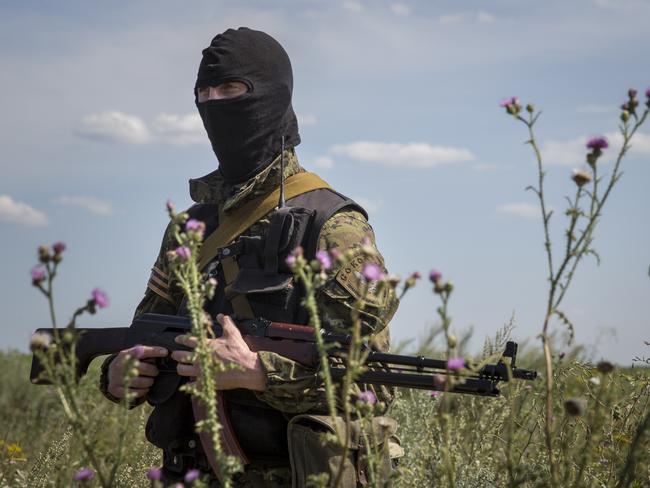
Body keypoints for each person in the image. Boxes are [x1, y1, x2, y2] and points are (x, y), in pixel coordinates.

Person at [99, 27, 399, 486]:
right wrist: (119, 374)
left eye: (232, 89)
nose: (216, 103)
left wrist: (260, 374)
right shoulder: (191, 229)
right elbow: (146, 335)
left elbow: (373, 385)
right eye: (205, 92)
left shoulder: (334, 226)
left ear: (273, 97)